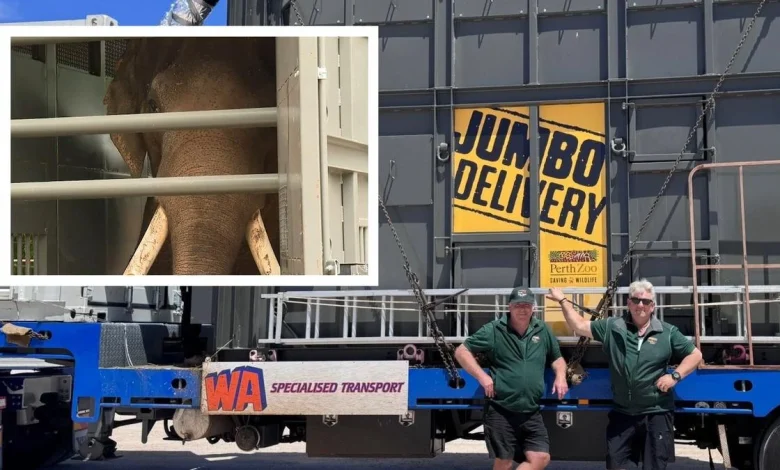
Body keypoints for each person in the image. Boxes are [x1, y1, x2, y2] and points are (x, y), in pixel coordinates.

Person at [547, 279, 703, 470]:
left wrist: (674, 376)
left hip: (656, 413)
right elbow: (579, 326)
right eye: (636, 300)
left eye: (646, 302)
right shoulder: (613, 327)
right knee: (616, 465)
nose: (640, 306)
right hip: (623, 413)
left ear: (653, 306)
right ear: (629, 303)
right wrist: (563, 300)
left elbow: (695, 355)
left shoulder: (667, 332)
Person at [454, 286, 569, 470]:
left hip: (531, 410)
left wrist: (561, 375)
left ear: (534, 307)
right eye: (518, 305)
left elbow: (557, 358)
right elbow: (461, 351)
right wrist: (482, 377)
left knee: (541, 457)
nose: (522, 309)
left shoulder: (542, 330)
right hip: (501, 409)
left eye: (527, 305)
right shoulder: (494, 330)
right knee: (504, 462)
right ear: (509, 307)